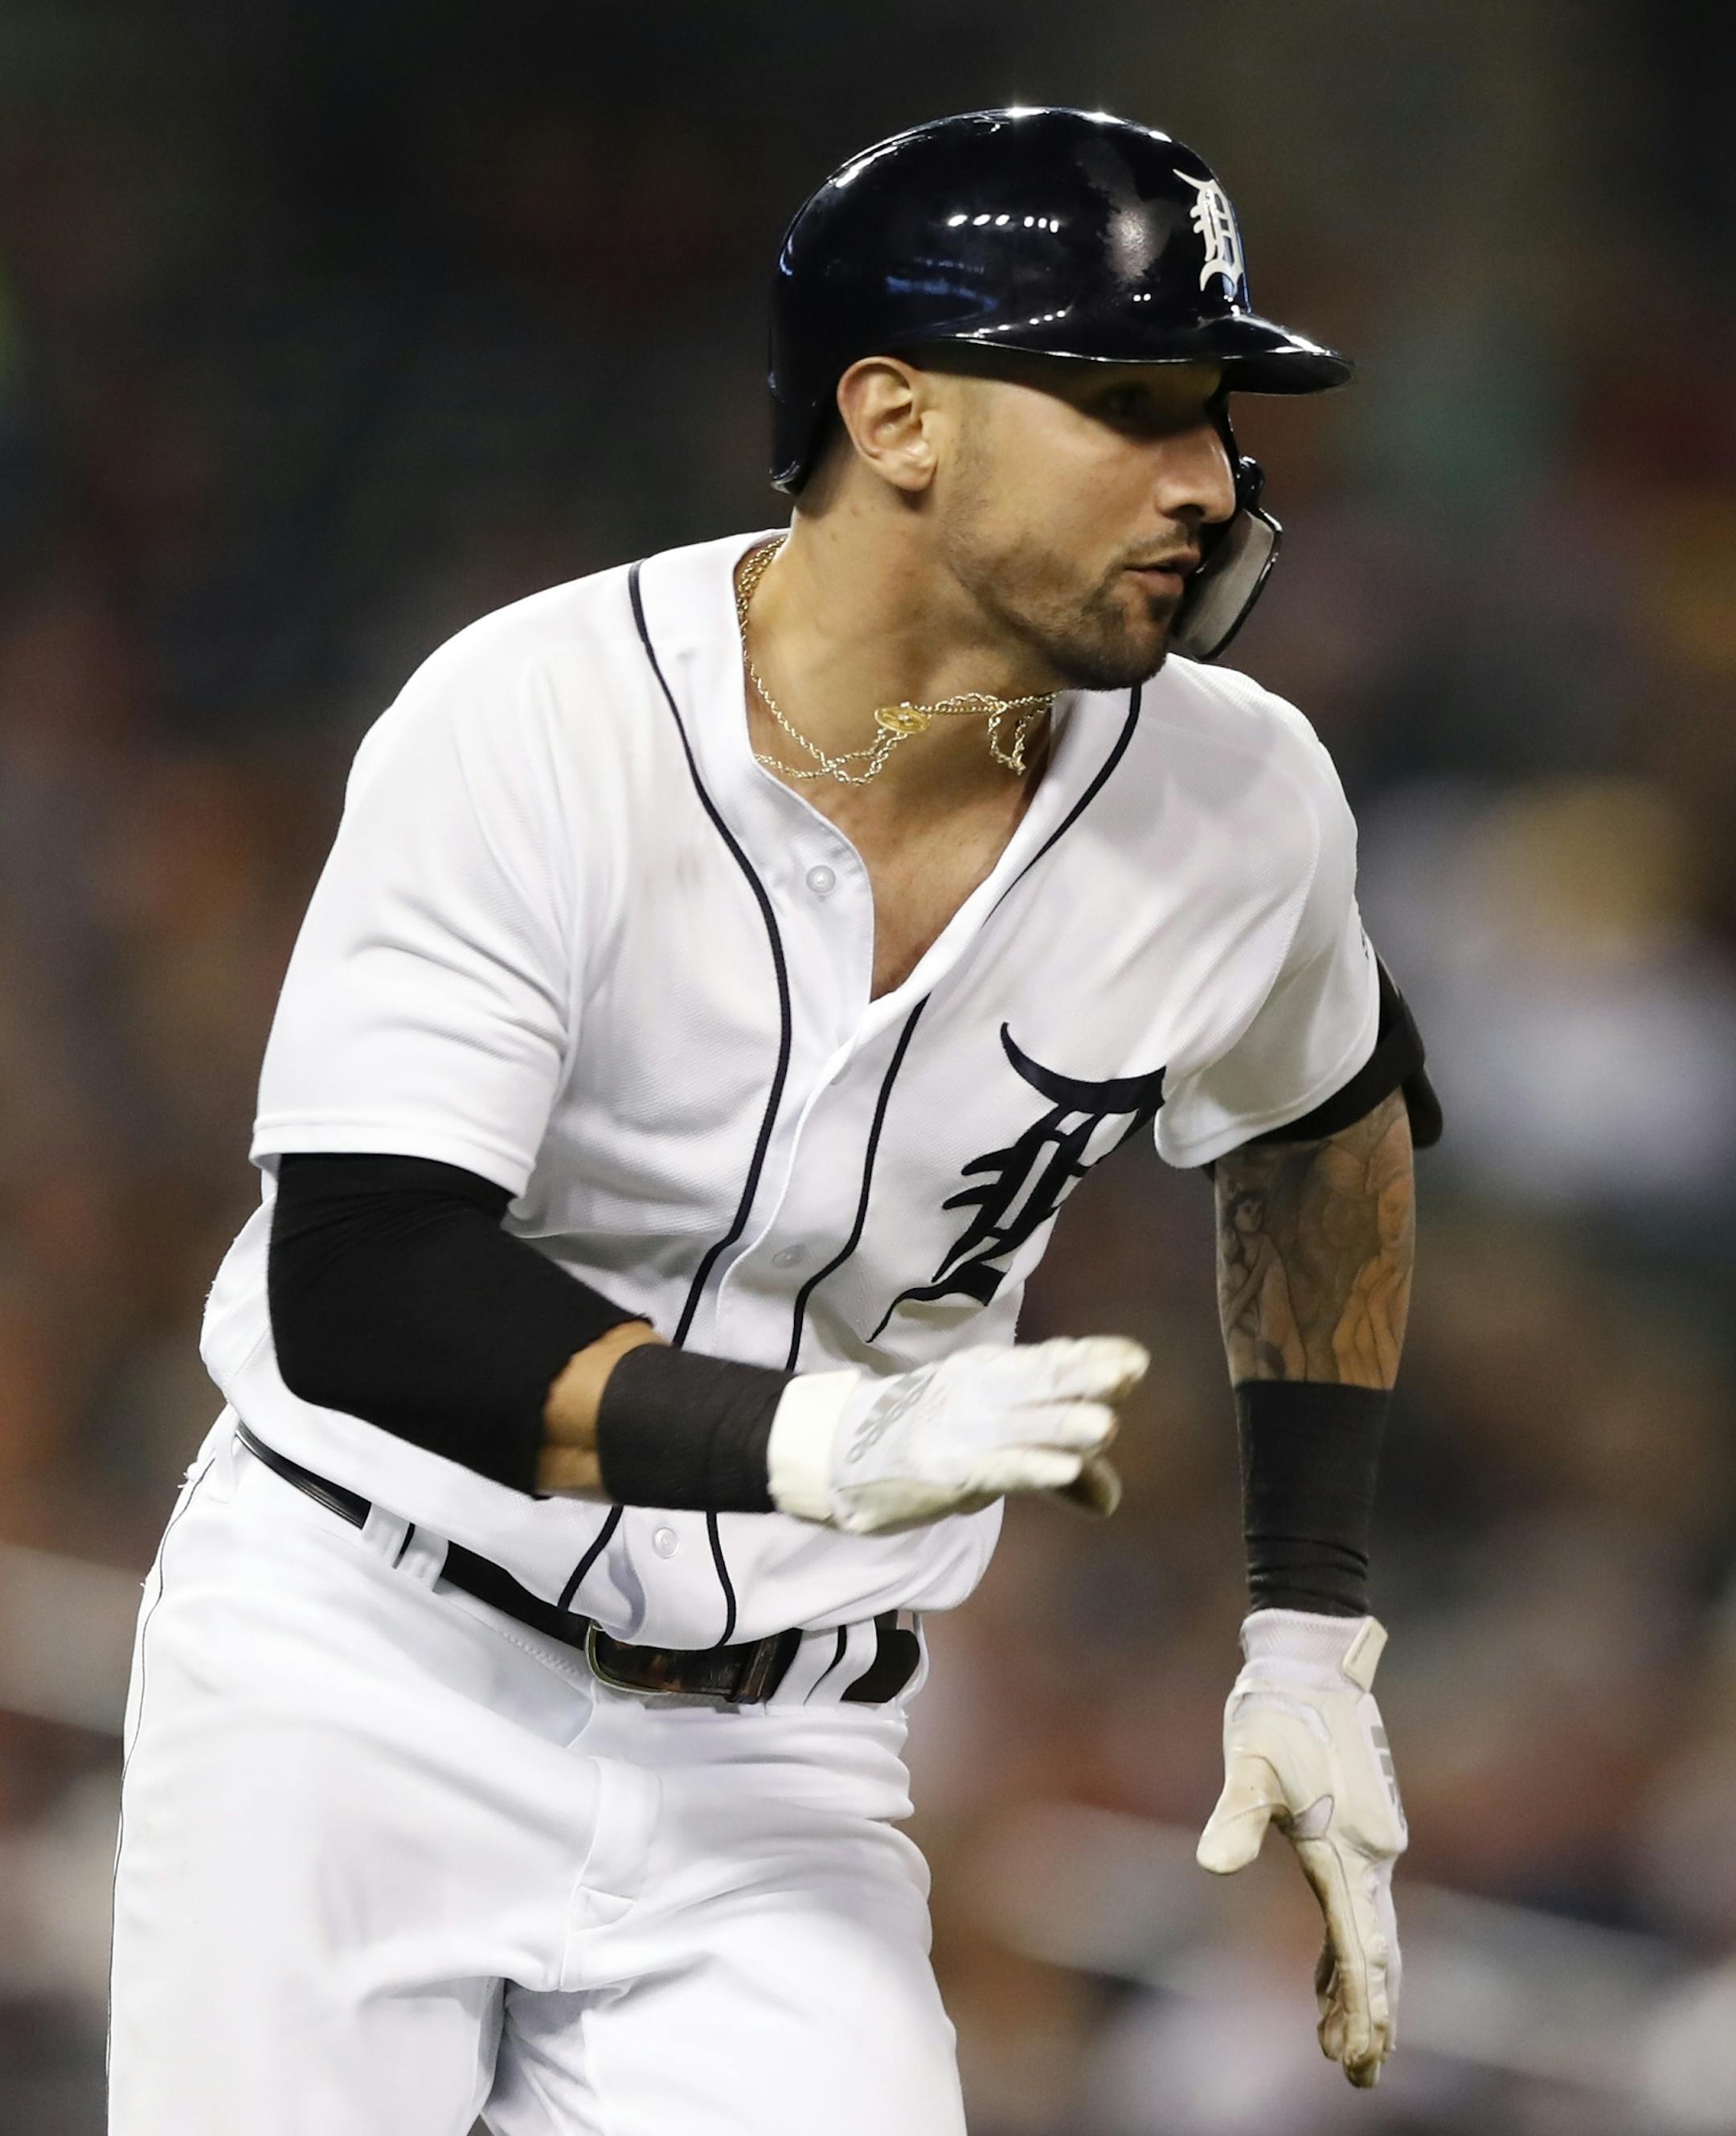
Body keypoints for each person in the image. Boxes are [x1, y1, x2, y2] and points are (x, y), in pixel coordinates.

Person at [108, 107, 1435, 2134]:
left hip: (781, 1768)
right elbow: (359, 1281)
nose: (1210, 481)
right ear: (896, 418)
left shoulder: (1242, 797)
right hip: (363, 1668)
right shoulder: (537, 720)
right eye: (1135, 402)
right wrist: (822, 1443)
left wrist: (1310, 1632)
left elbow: (1329, 1124)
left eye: (1221, 413)